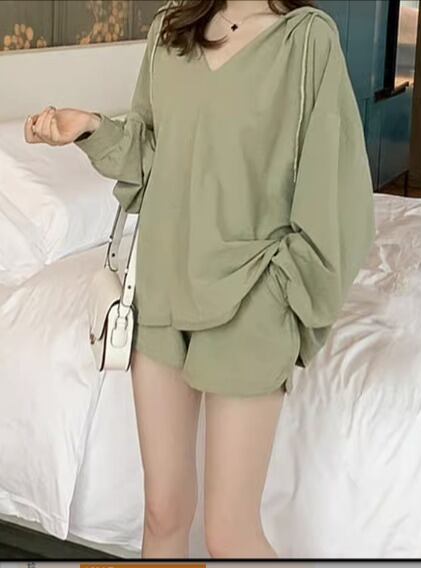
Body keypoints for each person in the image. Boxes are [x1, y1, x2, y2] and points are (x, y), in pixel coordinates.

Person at [24, 0, 375, 558]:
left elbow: (335, 189)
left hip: (252, 301)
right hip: (161, 294)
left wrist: (286, 293)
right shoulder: (171, 29)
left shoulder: (306, 41)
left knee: (229, 534)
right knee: (163, 513)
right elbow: (151, 155)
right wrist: (91, 127)